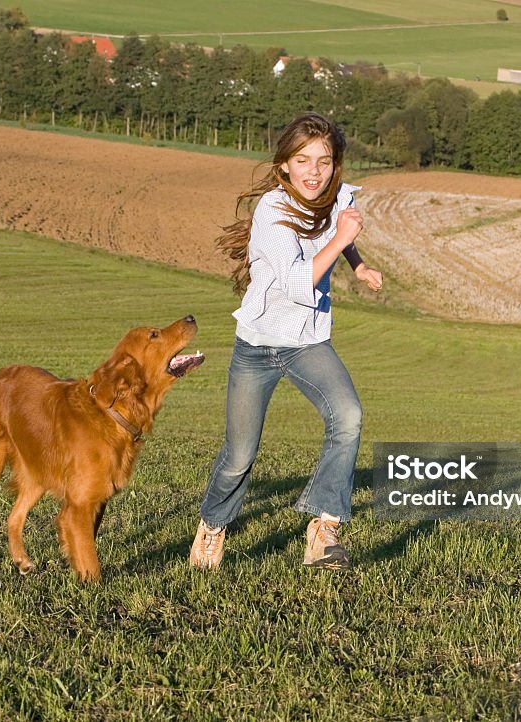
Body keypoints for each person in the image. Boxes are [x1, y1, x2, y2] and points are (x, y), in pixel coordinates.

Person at [189, 112, 383, 571]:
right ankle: (213, 527)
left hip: (306, 340)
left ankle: (324, 527)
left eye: (324, 160)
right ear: (284, 167)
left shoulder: (334, 198)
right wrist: (341, 242)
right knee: (239, 458)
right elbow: (300, 281)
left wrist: (356, 263)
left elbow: (335, 227)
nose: (314, 171)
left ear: (335, 166)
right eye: (303, 160)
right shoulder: (272, 212)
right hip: (257, 345)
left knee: (349, 415)